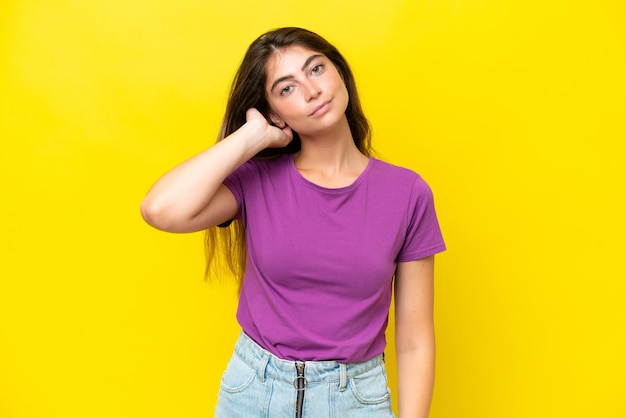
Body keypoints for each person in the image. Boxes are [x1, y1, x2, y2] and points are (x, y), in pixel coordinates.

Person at [141, 27, 446, 418]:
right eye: (286, 88)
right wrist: (251, 136)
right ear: (273, 112)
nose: (311, 90)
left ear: (339, 71)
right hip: (254, 393)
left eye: (316, 69)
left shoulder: (406, 193)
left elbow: (415, 342)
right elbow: (160, 210)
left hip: (355, 399)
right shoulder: (255, 180)